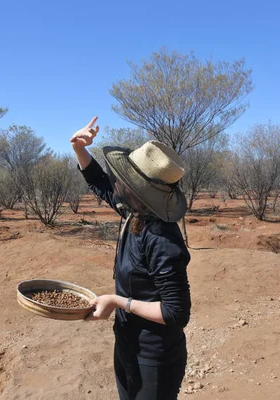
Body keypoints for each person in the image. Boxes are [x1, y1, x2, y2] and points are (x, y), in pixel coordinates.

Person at [70, 116, 192, 400]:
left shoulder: (162, 239)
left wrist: (117, 302)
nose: (117, 180)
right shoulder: (134, 213)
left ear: (138, 188)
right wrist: (79, 148)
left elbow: (177, 313)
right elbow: (100, 183)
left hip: (155, 357)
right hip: (128, 343)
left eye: (123, 177)